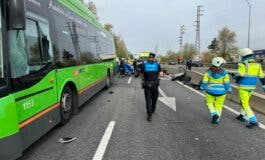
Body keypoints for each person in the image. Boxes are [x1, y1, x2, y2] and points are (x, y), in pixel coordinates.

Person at [232, 48, 265, 129]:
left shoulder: (243, 64)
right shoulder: (257, 64)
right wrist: (264, 86)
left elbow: (240, 75)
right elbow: (261, 77)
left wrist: (234, 77)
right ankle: (242, 116)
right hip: (252, 87)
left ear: (243, 55)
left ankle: (253, 121)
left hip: (243, 87)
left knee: (244, 103)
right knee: (245, 101)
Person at [200, 57, 232, 124]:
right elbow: (227, 83)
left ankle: (214, 114)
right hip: (221, 92)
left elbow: (204, 82)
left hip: (210, 91)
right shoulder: (225, 73)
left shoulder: (208, 72)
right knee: (219, 105)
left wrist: (202, 87)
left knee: (209, 103)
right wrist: (229, 89)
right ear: (220, 64)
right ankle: (216, 120)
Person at [141, 53, 164, 121]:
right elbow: (161, 74)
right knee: (154, 98)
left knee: (148, 100)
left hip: (147, 84)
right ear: (154, 58)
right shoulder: (157, 65)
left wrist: (144, 78)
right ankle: (153, 109)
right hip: (155, 85)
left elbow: (141, 74)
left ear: (148, 58)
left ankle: (149, 115)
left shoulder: (144, 65)